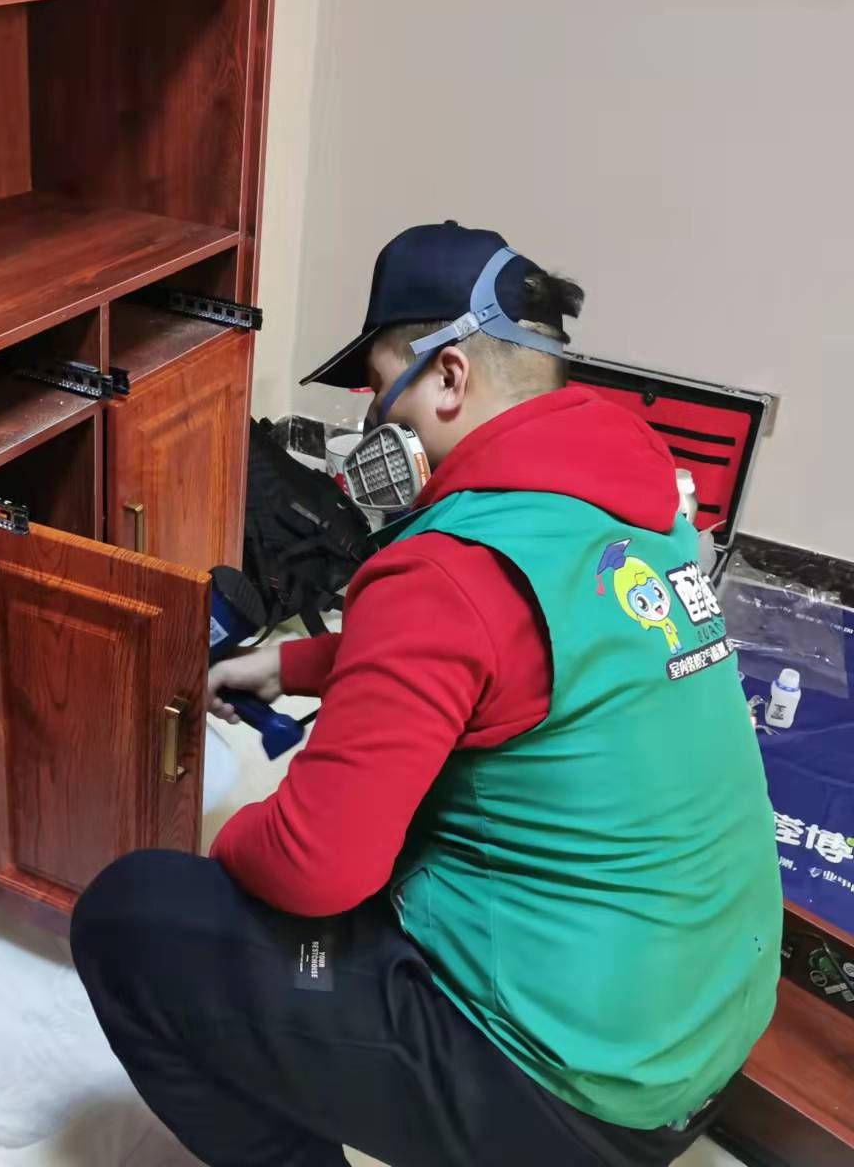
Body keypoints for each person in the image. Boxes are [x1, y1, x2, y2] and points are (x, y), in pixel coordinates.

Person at [71, 222, 781, 1167]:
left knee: (131, 920)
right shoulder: (633, 502)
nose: (372, 421)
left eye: (379, 389)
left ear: (449, 376)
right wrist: (292, 665)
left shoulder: (446, 565)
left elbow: (316, 866)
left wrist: (226, 836)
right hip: (699, 1029)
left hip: (574, 1086)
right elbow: (508, 661)